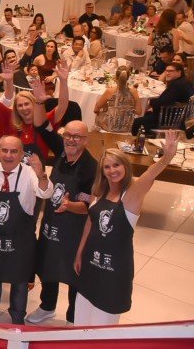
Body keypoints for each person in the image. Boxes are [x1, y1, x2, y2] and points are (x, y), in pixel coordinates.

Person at [74, 130, 178, 325]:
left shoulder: (131, 197)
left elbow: (148, 177)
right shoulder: (98, 193)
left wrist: (166, 158)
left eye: (116, 165)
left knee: (102, 332)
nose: (112, 170)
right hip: (91, 263)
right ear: (102, 171)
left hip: (114, 272)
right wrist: (80, 252)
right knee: (80, 324)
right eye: (107, 167)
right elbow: (90, 223)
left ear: (125, 166)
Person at [0, 136, 53, 325]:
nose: (8, 155)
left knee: (20, 278)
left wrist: (41, 173)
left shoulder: (30, 173)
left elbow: (45, 193)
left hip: (21, 236)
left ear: (21, 154)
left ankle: (17, 313)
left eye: (14, 151)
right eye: (4, 150)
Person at [27, 121, 97, 324]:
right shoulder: (62, 152)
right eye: (68, 135)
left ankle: (73, 317)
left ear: (86, 140)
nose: (71, 140)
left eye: (77, 137)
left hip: (73, 228)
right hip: (51, 222)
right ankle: (47, 306)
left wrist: (69, 205)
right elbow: (42, 126)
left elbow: (87, 206)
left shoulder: (90, 167)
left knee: (74, 273)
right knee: (48, 265)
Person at [131, 62, 194, 134]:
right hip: (180, 118)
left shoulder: (177, 85)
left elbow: (163, 102)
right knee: (147, 114)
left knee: (136, 122)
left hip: (168, 119)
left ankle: (137, 141)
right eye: (166, 71)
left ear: (179, 72)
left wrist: (152, 104)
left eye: (171, 71)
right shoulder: (184, 82)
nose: (167, 73)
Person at [94, 66, 141, 132]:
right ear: (128, 78)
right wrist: (126, 110)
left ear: (116, 77)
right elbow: (139, 112)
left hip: (109, 125)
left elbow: (96, 109)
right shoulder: (134, 92)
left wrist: (105, 108)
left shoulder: (110, 91)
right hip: (126, 126)